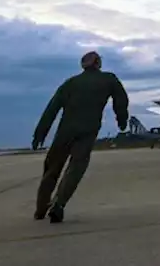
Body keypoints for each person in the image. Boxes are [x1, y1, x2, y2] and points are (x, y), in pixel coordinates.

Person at [32, 50, 129, 223]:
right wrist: (122, 119)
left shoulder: (70, 83)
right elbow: (121, 100)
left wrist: (40, 133)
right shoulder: (108, 80)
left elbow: (52, 109)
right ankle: (58, 204)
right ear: (98, 63)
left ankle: (40, 208)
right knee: (76, 168)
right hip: (88, 130)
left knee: (52, 168)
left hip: (65, 131)